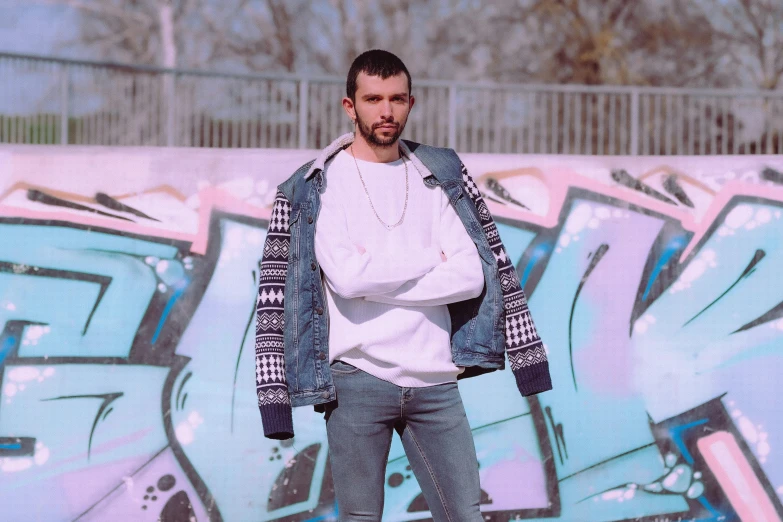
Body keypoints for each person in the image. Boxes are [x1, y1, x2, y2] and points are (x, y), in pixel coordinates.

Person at [255, 49, 552, 521]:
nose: (386, 111)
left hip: (435, 382)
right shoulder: (318, 185)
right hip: (356, 380)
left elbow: (470, 275)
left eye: (397, 99)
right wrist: (426, 263)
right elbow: (347, 279)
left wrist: (377, 277)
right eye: (373, 99)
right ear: (350, 107)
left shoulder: (437, 175)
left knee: (464, 514)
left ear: (411, 103)